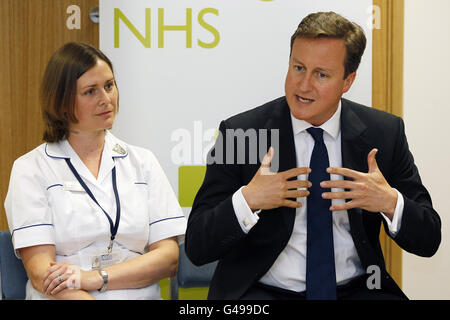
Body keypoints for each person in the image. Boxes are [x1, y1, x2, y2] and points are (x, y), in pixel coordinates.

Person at [185, 11, 441, 300]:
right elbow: (197, 246)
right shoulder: (241, 133)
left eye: (321, 74)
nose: (303, 85)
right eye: (298, 68)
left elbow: (429, 239)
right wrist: (248, 200)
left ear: (347, 81)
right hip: (263, 292)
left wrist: (389, 202)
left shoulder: (384, 134)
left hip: (357, 289)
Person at [4, 42, 187, 300]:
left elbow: (168, 259)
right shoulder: (31, 169)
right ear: (62, 101)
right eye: (90, 91)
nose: (106, 99)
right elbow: (41, 274)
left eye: (109, 86)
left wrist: (97, 278)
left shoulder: (142, 161)